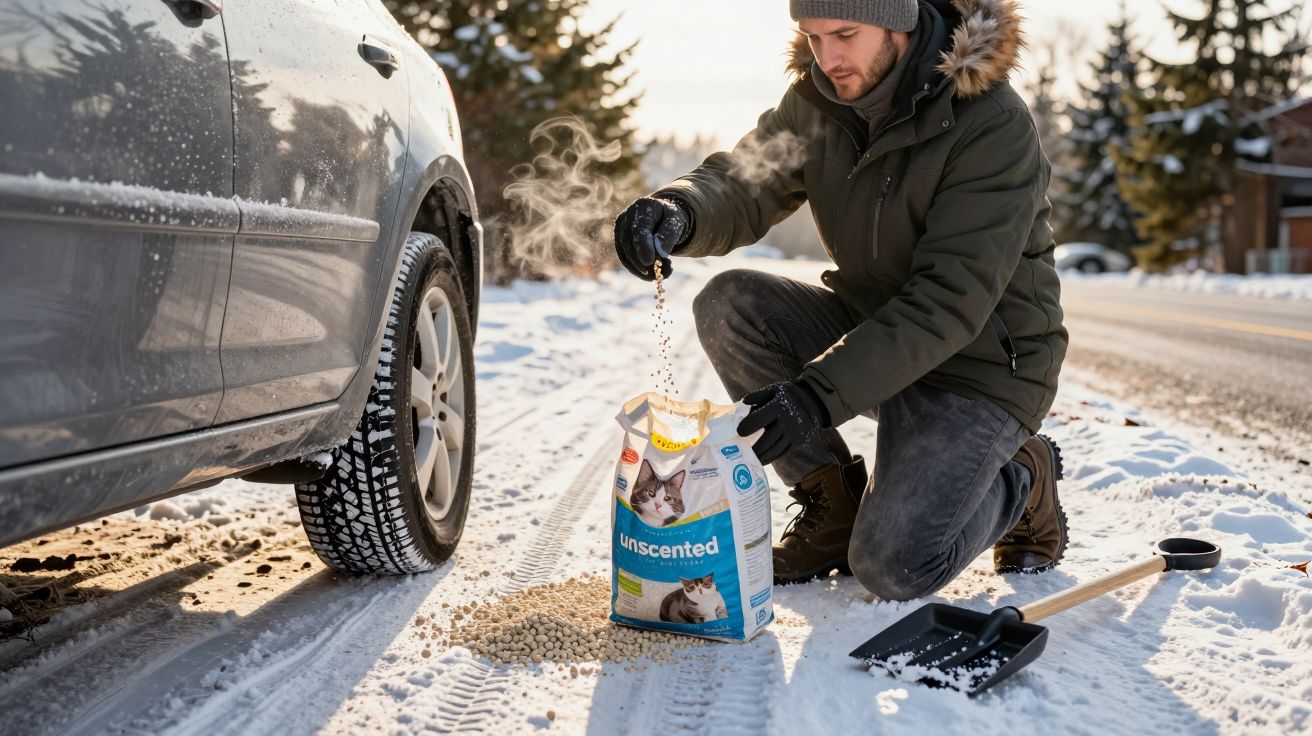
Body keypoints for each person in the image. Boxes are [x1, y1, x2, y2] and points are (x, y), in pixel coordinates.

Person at [612, 0, 1070, 601]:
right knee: (731, 304)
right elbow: (747, 180)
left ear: (897, 23)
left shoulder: (990, 122)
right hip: (878, 329)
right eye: (813, 35)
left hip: (980, 370)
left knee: (895, 566)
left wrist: (816, 395)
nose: (827, 58)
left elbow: (947, 303)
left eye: (845, 34)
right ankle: (831, 508)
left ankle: (1024, 477)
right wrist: (681, 209)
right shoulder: (818, 103)